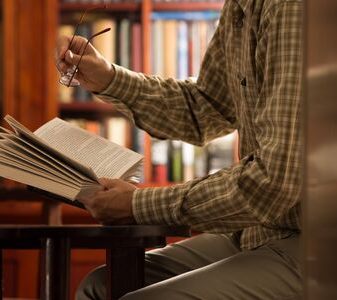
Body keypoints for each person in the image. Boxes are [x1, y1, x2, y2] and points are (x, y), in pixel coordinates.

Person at [54, 0, 303, 299]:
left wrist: (137, 205)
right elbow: (206, 108)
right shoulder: (241, 6)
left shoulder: (293, 9)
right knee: (101, 288)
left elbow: (271, 185)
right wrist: (109, 78)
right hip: (261, 228)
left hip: (312, 242)